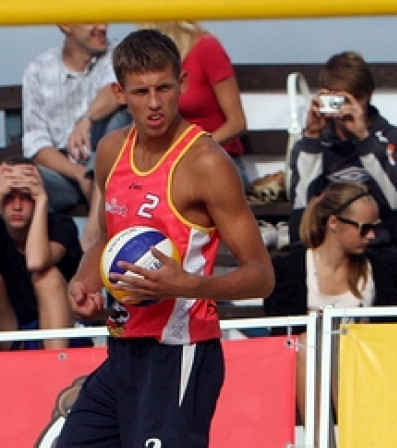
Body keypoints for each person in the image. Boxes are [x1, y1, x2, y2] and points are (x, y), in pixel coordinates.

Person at [60, 29, 274, 447]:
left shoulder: (207, 163)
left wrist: (192, 285)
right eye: (141, 91)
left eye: (163, 88)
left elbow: (261, 275)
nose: (154, 103)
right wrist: (85, 280)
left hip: (180, 353)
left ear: (183, 85)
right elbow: (108, 237)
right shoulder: (110, 151)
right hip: (123, 349)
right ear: (120, 93)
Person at [264, 181, 397, 426]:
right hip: (306, 373)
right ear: (333, 223)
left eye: (374, 227)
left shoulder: (385, 270)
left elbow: (394, 336)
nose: (372, 236)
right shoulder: (289, 270)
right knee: (307, 344)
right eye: (364, 228)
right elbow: (281, 335)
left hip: (367, 370)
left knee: (328, 345)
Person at [288, 51, 397, 250]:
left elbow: (396, 201)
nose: (345, 107)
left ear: (368, 95)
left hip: (383, 248)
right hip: (326, 250)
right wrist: (312, 136)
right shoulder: (309, 147)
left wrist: (364, 139)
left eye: (354, 98)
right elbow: (302, 206)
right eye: (337, 99)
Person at [22, 23, 130, 249]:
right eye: (92, 19)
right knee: (19, 183)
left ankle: (94, 230)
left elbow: (115, 91)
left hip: (115, 172)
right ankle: (50, 263)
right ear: (66, 24)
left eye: (104, 17)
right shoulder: (38, 70)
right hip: (65, 174)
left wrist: (87, 119)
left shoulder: (118, 52)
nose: (102, 26)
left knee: (119, 118)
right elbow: (36, 145)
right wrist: (80, 174)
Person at [138, 21, 249, 187]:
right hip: (168, 161)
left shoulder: (206, 47)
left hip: (215, 160)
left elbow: (237, 123)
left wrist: (191, 149)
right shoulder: (151, 58)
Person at [0, 157, 82, 350]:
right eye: (9, 197)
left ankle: (55, 368)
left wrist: (43, 198)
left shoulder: (61, 225)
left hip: (63, 332)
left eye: (26, 196)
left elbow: (36, 261)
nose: (17, 206)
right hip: (10, 331)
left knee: (45, 276)